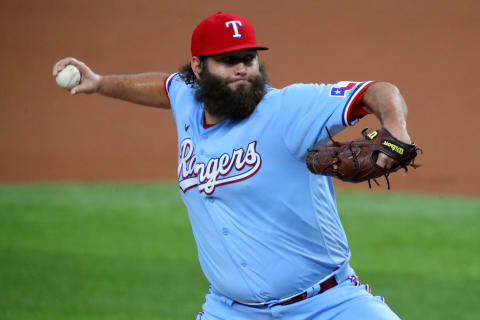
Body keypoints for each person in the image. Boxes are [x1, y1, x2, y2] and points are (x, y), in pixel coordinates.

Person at [53, 11, 410, 320]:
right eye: (228, 60)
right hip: (231, 310)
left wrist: (395, 129)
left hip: (327, 304)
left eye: (248, 58)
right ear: (198, 68)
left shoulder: (288, 109)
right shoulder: (188, 100)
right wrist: (100, 83)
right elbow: (166, 87)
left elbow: (376, 91)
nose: (241, 69)